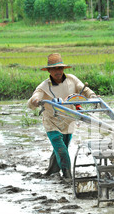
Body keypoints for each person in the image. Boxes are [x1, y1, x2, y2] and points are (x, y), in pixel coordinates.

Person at [27, 53, 96, 183]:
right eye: (54, 69)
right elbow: (34, 97)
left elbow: (85, 90)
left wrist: (92, 96)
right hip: (51, 121)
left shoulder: (72, 80)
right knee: (61, 149)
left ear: (63, 69)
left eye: (59, 68)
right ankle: (67, 176)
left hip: (68, 120)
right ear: (48, 70)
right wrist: (36, 100)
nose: (57, 72)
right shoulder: (44, 86)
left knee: (61, 147)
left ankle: (51, 171)